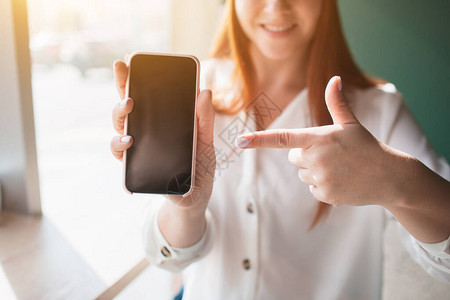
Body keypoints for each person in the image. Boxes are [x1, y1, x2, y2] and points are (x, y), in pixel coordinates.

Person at [111, 0, 450, 299]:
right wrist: (187, 207)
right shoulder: (194, 89)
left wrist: (398, 180)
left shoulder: (380, 110)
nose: (277, 5)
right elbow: (167, 257)